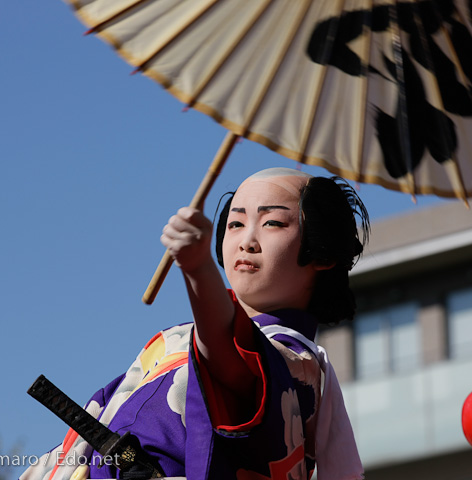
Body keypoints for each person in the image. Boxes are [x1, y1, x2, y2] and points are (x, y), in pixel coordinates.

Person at [20, 167, 368, 480]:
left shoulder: (296, 364)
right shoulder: (172, 339)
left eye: (272, 223)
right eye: (235, 223)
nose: (246, 240)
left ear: (322, 251)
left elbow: (228, 358)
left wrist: (199, 269)